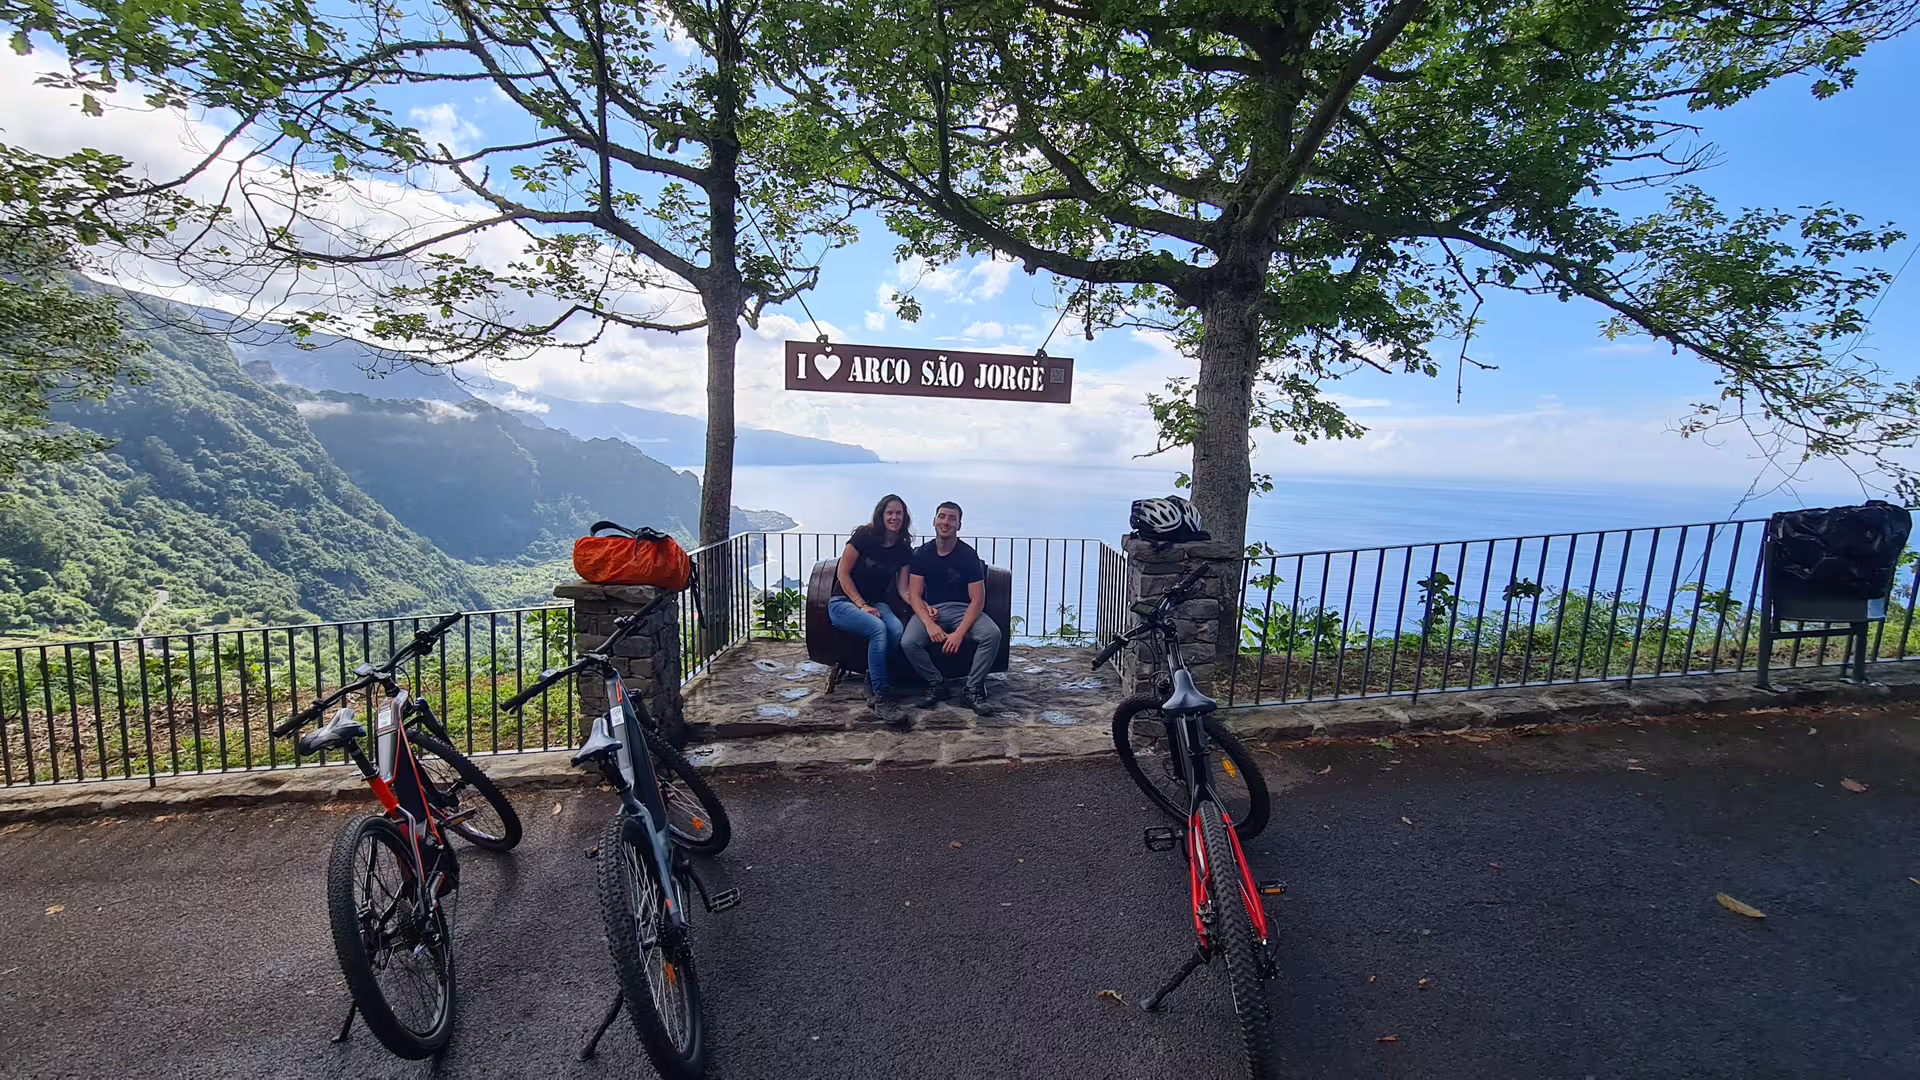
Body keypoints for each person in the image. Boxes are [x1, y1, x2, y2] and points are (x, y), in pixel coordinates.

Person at [903, 501, 1001, 716]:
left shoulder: (967, 555)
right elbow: (915, 595)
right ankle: (936, 683)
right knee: (909, 642)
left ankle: (972, 689)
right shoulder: (923, 554)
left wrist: (959, 633)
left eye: (951, 518)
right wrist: (929, 624)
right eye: (942, 517)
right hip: (933, 611)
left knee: (992, 634)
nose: (945, 522)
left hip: (963, 610)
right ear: (934, 521)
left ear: (959, 525)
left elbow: (977, 600)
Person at [827, 494, 914, 727]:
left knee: (896, 629)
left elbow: (904, 590)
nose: (894, 517)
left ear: (904, 517)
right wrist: (861, 604)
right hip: (843, 602)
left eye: (898, 513)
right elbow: (842, 573)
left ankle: (872, 678)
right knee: (878, 628)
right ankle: (883, 696)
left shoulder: (904, 549)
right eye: (889, 513)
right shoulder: (864, 536)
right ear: (881, 515)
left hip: (876, 604)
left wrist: (923, 608)